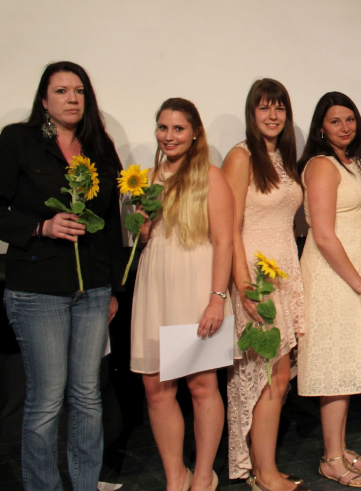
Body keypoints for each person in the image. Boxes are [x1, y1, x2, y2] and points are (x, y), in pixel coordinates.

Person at [0, 61, 122, 490]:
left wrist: (112, 288)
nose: (72, 98)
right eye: (61, 91)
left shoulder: (99, 146)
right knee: (46, 402)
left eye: (79, 90)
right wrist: (40, 227)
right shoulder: (19, 141)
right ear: (44, 100)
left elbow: (111, 223)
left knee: (88, 396)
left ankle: (84, 485)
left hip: (92, 290)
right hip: (38, 290)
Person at [130, 98, 235, 491]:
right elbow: (145, 238)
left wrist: (216, 298)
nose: (169, 136)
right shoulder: (144, 179)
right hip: (155, 286)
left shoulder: (210, 176)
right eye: (163, 127)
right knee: (155, 389)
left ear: (194, 133)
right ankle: (176, 476)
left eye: (178, 128)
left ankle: (204, 475)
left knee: (201, 385)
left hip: (196, 287)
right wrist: (141, 225)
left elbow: (224, 241)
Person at [297, 92, 361, 488]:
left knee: (345, 364)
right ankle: (331, 459)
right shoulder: (322, 165)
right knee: (333, 367)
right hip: (332, 275)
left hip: (351, 271)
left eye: (350, 119)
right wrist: (358, 282)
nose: (345, 127)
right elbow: (322, 234)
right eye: (335, 121)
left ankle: (339, 447)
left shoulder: (351, 162)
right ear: (321, 128)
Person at [222, 79, 308, 490]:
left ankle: (262, 467)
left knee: (276, 374)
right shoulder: (241, 157)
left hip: (284, 273)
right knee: (268, 373)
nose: (273, 115)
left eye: (279, 108)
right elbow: (229, 227)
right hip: (255, 278)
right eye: (264, 107)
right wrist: (243, 285)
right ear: (251, 113)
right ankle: (265, 472)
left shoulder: (285, 160)